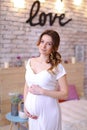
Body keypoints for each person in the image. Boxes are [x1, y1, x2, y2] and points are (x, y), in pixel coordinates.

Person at [24, 29, 68, 130]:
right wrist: (25, 105)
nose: (43, 46)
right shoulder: (30, 62)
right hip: (32, 116)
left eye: (49, 44)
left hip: (49, 113)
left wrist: (42, 91)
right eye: (42, 41)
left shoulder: (57, 67)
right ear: (39, 42)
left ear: (54, 47)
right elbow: (27, 85)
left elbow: (65, 94)